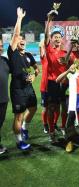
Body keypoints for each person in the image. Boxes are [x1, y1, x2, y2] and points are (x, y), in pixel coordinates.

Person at [8, 7, 39, 150]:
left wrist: (34, 76)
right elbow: (15, 35)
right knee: (19, 116)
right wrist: (19, 18)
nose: (21, 40)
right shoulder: (13, 53)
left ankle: (25, 128)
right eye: (19, 39)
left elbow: (36, 70)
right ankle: (19, 140)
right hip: (18, 88)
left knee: (33, 108)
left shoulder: (28, 56)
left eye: (23, 39)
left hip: (28, 88)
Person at [44, 10, 71, 143]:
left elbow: (68, 63)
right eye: (55, 37)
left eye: (59, 37)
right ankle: (51, 131)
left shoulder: (65, 52)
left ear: (61, 39)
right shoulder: (49, 50)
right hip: (52, 82)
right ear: (52, 39)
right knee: (52, 108)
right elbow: (45, 37)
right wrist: (49, 20)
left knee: (64, 108)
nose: (57, 38)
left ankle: (63, 127)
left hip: (64, 83)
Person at [0, 39, 10, 154]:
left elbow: (16, 71)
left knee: (0, 122)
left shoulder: (4, 60)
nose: (0, 48)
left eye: (1, 45)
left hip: (3, 98)